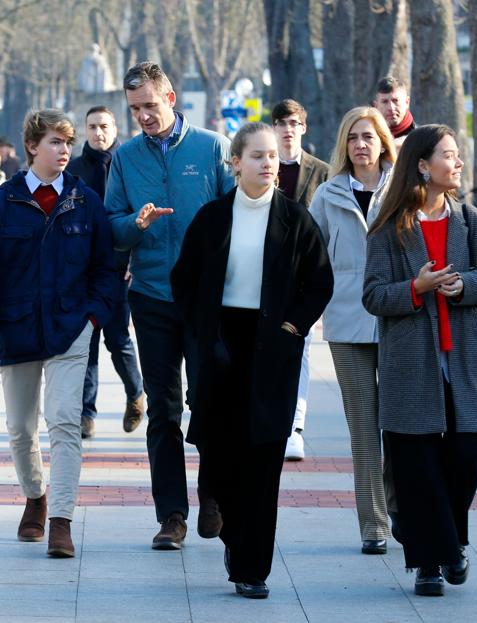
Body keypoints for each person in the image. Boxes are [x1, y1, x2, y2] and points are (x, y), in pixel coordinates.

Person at [170, 123, 333, 598]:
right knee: (219, 455)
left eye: (273, 156)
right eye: (257, 156)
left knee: (263, 459)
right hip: (220, 345)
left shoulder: (296, 219)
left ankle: (252, 567)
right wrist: (203, 332)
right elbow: (184, 281)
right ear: (235, 163)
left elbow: (318, 283)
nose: (268, 163)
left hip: (273, 347)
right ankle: (229, 530)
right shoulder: (213, 217)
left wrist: (291, 328)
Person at [363, 125, 477, 596]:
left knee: (466, 459)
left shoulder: (470, 220)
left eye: (459, 155)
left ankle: (451, 542)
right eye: (449, 155)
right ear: (423, 165)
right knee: (416, 464)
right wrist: (415, 289)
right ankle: (430, 563)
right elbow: (372, 294)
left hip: (462, 357)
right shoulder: (388, 227)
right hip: (410, 363)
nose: (458, 163)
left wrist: (463, 285)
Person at [106, 61, 234, 550]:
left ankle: (215, 498)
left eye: (150, 106)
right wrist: (134, 226)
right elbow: (112, 229)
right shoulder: (126, 158)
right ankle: (172, 516)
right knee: (162, 408)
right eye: (135, 109)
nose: (143, 117)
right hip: (151, 296)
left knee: (208, 402)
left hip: (205, 299)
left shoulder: (211, 147)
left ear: (171, 98)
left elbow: (234, 215)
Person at [0, 109, 115, 557]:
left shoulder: (84, 201)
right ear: (32, 147)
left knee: (64, 422)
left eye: (68, 143)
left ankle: (62, 520)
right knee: (20, 429)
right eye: (55, 142)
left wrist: (92, 319)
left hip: (71, 330)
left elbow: (105, 269)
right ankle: (36, 496)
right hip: (17, 329)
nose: (65, 150)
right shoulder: (5, 200)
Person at [310, 106, 396, 555]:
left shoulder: (404, 189)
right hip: (346, 323)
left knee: (400, 423)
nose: (360, 144)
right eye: (352, 137)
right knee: (363, 428)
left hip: (400, 320)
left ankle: (395, 501)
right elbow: (313, 257)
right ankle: (374, 523)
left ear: (383, 141)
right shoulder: (327, 194)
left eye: (368, 136)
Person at [67, 106, 143, 439]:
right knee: (86, 342)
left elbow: (138, 217)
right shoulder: (74, 170)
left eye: (105, 126)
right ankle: (86, 413)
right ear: (85, 130)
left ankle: (135, 393)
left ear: (115, 128)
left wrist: (131, 263)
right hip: (81, 273)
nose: (99, 133)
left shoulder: (127, 165)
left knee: (118, 339)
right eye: (93, 127)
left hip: (118, 271)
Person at [271, 98, 329, 460]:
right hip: (266, 273)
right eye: (281, 123)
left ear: (303, 128)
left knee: (300, 347)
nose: (288, 129)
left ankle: (295, 426)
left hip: (304, 276)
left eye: (294, 123)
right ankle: (272, 419)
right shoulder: (262, 164)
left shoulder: (321, 172)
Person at [373, 76, 416, 149]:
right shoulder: (369, 140)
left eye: (395, 101)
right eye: (385, 102)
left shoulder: (421, 140)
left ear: (407, 102)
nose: (391, 108)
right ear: (376, 106)